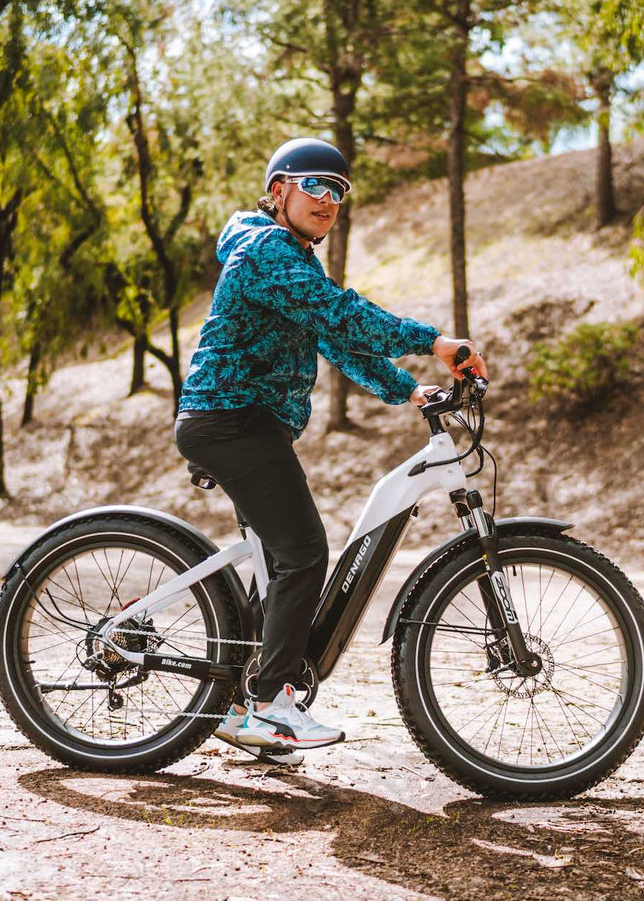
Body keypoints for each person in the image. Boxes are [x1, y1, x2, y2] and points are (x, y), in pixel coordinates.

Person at [174, 137, 487, 756]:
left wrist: (405, 390)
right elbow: (341, 314)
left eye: (340, 190)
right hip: (233, 419)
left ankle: (242, 704)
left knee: (276, 559)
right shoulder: (267, 250)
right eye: (315, 184)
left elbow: (335, 338)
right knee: (304, 552)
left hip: (247, 420)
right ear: (278, 190)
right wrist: (434, 341)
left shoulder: (290, 258)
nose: (329, 199)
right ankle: (269, 703)